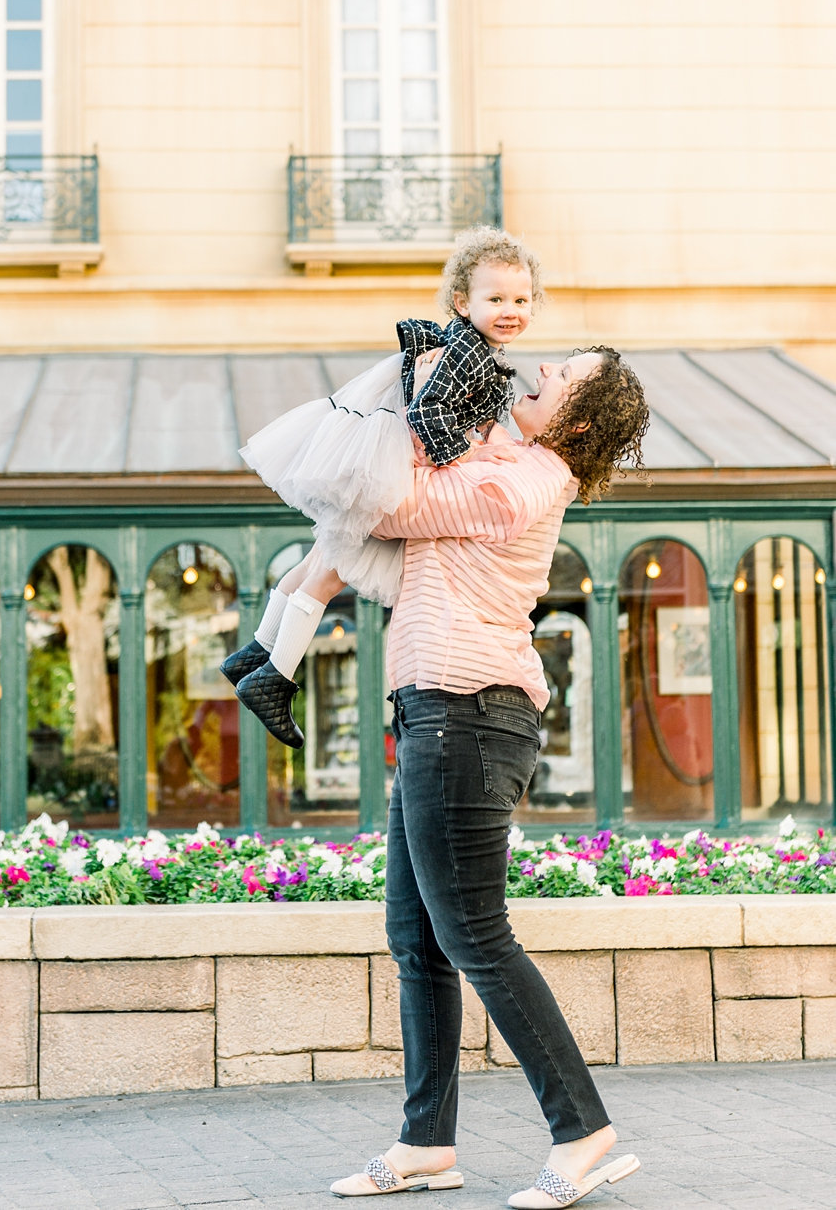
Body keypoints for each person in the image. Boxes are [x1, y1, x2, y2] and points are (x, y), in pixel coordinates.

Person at [329, 347, 650, 1210]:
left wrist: (354, 462)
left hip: (470, 710)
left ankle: (583, 1131)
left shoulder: (534, 478)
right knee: (418, 938)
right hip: (435, 710)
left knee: (473, 932)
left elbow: (395, 505)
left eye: (566, 372)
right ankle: (426, 1142)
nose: (539, 363)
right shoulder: (503, 453)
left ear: (578, 421)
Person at [221, 227, 541, 748]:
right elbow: (429, 410)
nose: (511, 309)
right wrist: (456, 459)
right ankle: (274, 678)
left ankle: (258, 653)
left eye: (522, 299)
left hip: (383, 452)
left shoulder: (465, 345)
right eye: (496, 298)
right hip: (399, 465)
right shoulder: (472, 353)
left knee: (319, 560)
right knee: (332, 570)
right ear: (463, 301)